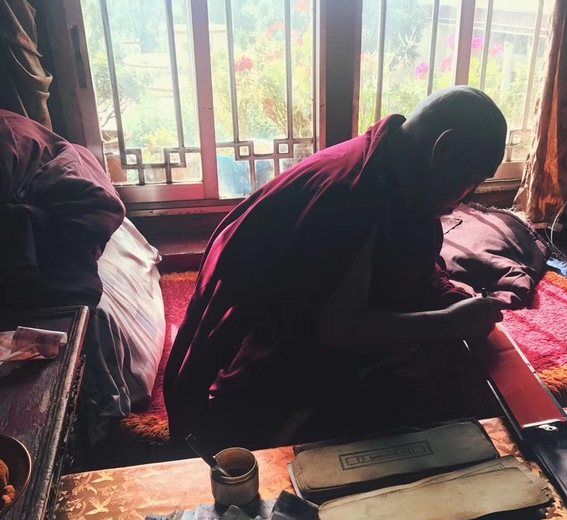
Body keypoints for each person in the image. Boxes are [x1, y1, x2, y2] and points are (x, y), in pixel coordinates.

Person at [164, 85, 508, 452]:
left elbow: (407, 262)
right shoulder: (352, 195)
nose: (468, 197)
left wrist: (452, 299)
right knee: (441, 413)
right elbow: (338, 329)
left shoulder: (395, 166)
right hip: (261, 373)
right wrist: (448, 322)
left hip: (315, 332)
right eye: (472, 180)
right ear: (445, 150)